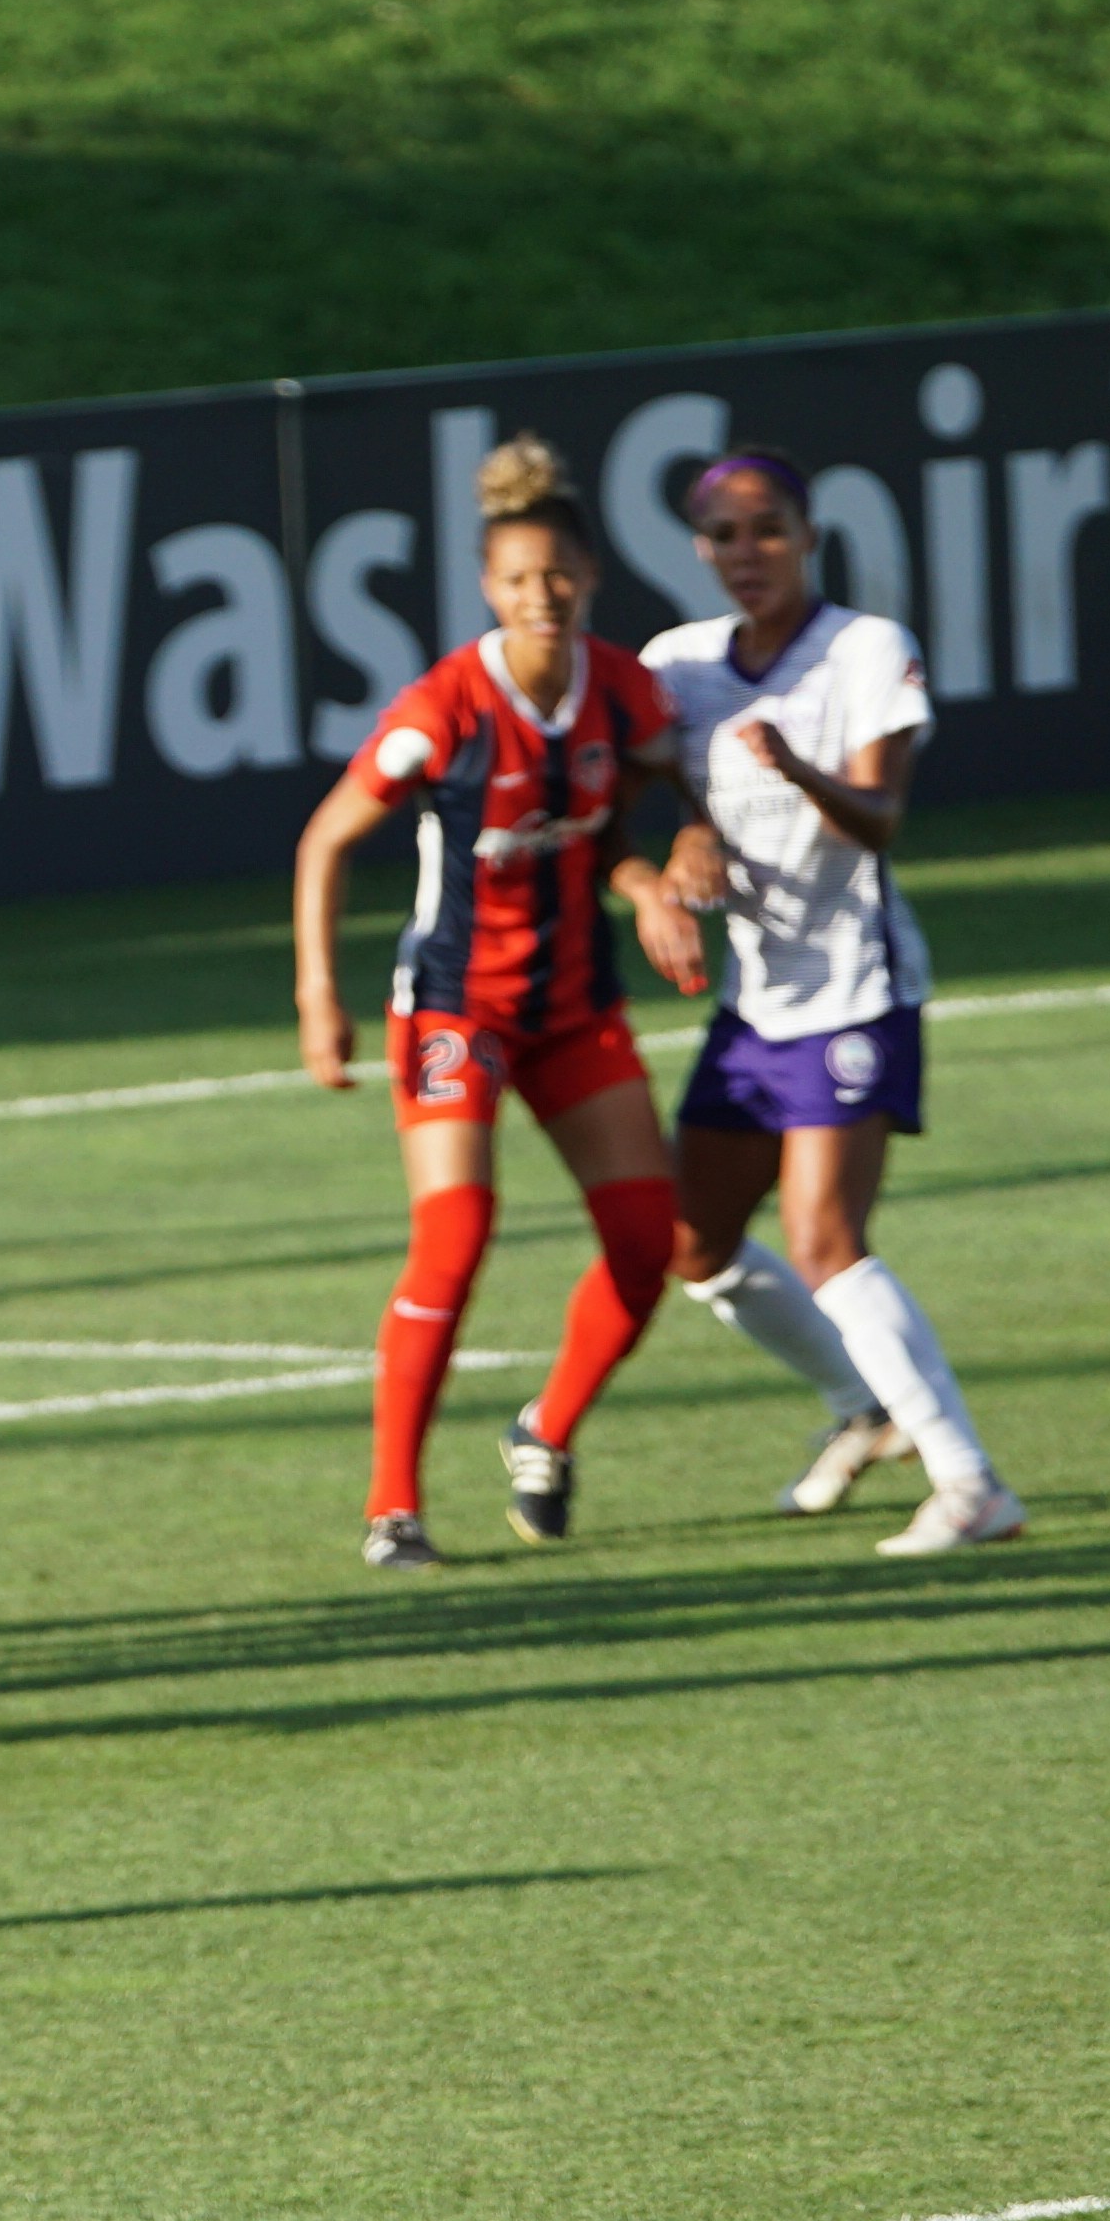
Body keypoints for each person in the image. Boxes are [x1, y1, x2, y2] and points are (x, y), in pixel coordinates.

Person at [290, 438, 710, 1568]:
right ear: (489, 587)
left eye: (559, 575)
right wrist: (317, 993)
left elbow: (665, 800)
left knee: (645, 1242)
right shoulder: (448, 705)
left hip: (574, 1006)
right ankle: (393, 1510)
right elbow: (327, 836)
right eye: (519, 579)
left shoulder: (623, 693)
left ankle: (546, 1428)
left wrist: (670, 871)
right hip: (454, 1008)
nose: (542, 596)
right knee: (456, 1234)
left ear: (590, 578)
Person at [644, 448, 1022, 1552]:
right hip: (754, 1003)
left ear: (809, 535)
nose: (744, 552)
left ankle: (970, 1483)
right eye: (722, 534)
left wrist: (792, 768)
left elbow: (882, 816)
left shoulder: (864, 648)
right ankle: (863, 1407)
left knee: (825, 1237)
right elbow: (642, 783)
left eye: (766, 529)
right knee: (692, 1241)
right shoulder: (678, 663)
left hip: (855, 988)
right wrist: (684, 839)